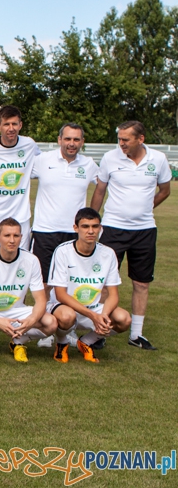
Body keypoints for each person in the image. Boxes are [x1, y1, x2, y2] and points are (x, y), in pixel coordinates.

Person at [90, 120, 171, 350]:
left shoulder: (158, 159)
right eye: (119, 139)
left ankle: (136, 335)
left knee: (141, 283)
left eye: (125, 139)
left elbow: (165, 190)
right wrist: (92, 222)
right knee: (103, 282)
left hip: (145, 230)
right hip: (113, 229)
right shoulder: (110, 158)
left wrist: (145, 208)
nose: (121, 143)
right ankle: (99, 332)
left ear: (140, 139)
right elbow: (100, 190)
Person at [0, 218, 56, 363]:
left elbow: (40, 300)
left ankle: (18, 342)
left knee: (51, 323)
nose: (12, 240)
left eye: (16, 235)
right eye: (7, 235)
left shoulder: (31, 260)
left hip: (17, 312)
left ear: (21, 237)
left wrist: (31, 320)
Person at [50, 208, 131, 363]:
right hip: (64, 307)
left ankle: (86, 342)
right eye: (85, 226)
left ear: (100, 228)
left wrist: (103, 316)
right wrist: (93, 316)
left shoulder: (108, 254)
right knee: (67, 316)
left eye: (95, 226)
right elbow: (60, 294)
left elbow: (113, 294)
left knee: (124, 319)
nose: (91, 231)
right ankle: (62, 343)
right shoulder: (63, 251)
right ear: (76, 228)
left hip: (94, 308)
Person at [31, 123, 99, 294]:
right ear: (59, 140)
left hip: (74, 232)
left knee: (71, 282)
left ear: (82, 141)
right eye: (67, 139)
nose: (71, 143)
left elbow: (105, 185)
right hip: (45, 230)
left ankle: (67, 312)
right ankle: (45, 312)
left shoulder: (89, 164)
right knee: (44, 283)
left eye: (76, 139)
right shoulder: (42, 160)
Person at [0, 105, 41, 251]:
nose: (11, 128)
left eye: (14, 124)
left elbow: (43, 165)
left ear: (20, 125)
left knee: (20, 258)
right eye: (6, 124)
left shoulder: (29, 145)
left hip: (21, 216)